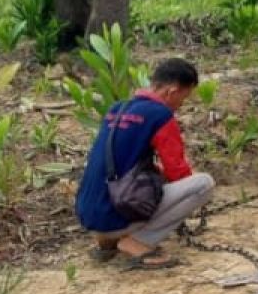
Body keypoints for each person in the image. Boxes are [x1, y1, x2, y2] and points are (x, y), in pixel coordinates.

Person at [75, 58, 215, 269]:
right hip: (115, 216)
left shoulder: (118, 108)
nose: (180, 106)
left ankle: (107, 242)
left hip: (89, 215)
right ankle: (138, 242)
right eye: (183, 99)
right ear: (172, 91)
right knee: (203, 184)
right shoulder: (161, 115)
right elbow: (177, 171)